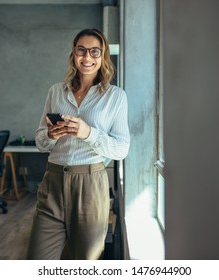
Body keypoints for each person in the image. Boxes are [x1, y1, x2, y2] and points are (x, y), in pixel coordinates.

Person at [26, 28, 130, 260]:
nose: (87, 57)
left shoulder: (116, 97)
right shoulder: (56, 91)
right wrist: (51, 135)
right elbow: (41, 142)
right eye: (81, 50)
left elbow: (122, 149)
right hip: (52, 181)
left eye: (95, 51)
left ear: (102, 57)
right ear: (73, 54)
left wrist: (88, 133)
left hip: (90, 185)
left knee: (86, 263)